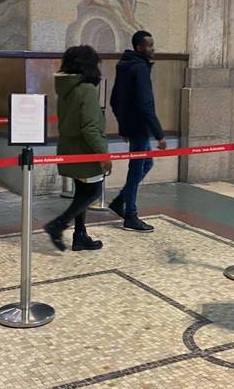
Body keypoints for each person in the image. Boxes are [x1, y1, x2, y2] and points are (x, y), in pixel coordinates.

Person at [44, 45, 111, 252]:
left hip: (69, 148)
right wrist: (104, 154)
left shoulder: (66, 88)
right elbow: (90, 127)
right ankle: (59, 224)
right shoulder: (87, 89)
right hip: (85, 151)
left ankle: (80, 235)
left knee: (81, 191)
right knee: (93, 190)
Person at [108, 30, 166, 232]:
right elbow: (145, 104)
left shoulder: (125, 65)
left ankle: (121, 200)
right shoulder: (139, 68)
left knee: (146, 164)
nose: (153, 48)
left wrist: (124, 125)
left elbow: (115, 100)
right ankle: (130, 215)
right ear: (140, 47)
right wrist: (158, 133)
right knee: (136, 169)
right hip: (140, 128)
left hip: (133, 126)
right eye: (149, 45)